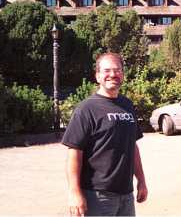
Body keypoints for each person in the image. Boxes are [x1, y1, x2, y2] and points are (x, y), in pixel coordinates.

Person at [62, 52, 148, 216]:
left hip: (126, 195)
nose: (113, 75)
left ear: (122, 74)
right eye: (107, 70)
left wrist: (141, 181)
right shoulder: (86, 109)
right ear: (98, 76)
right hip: (97, 196)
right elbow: (74, 153)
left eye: (117, 70)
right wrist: (74, 192)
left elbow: (133, 146)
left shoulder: (127, 105)